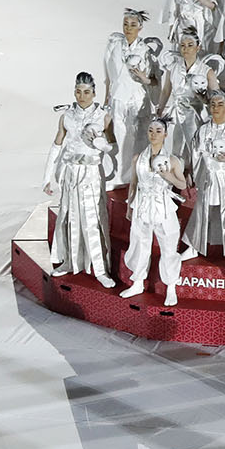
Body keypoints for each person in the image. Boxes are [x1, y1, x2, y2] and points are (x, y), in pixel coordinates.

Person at [42, 72, 115, 284]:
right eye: (78, 91)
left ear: (94, 93)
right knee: (68, 216)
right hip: (71, 173)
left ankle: (100, 269)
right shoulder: (66, 116)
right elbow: (57, 145)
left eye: (86, 92)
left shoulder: (103, 116)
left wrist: (102, 145)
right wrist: (47, 177)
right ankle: (68, 261)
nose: (82, 96)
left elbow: (114, 147)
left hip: (91, 173)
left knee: (92, 219)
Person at [117, 116, 188, 303]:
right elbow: (134, 182)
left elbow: (181, 183)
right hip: (142, 205)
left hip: (163, 207)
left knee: (168, 245)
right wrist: (129, 204)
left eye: (158, 131)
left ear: (165, 134)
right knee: (140, 243)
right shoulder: (138, 158)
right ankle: (138, 282)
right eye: (151, 130)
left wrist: (168, 176)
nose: (154, 134)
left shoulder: (172, 160)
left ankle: (171, 286)